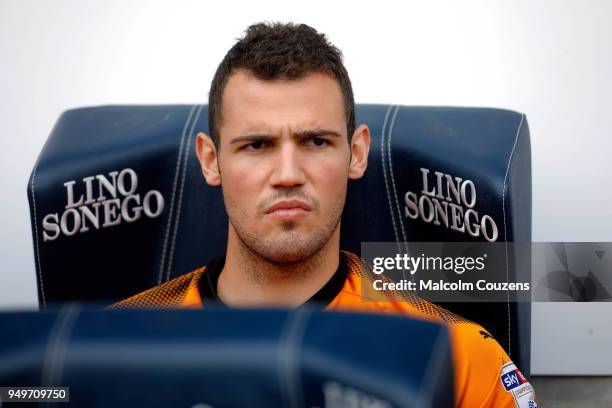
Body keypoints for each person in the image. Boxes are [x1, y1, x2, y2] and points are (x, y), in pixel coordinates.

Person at [112, 22, 537, 407]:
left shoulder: (457, 356)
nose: (288, 175)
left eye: (315, 142)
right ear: (210, 159)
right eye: (256, 145)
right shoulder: (114, 347)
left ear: (356, 153)